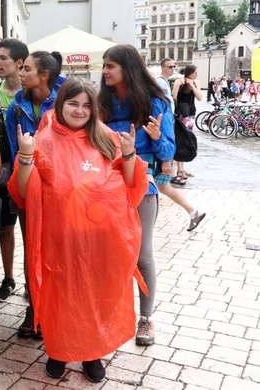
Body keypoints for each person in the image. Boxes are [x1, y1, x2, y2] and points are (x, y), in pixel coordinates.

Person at [8, 77, 148, 382]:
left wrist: (128, 154)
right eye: (73, 103)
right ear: (61, 104)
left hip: (99, 240)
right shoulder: (42, 141)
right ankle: (58, 350)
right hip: (59, 239)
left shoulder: (105, 137)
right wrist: (26, 155)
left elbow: (128, 187)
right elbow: (23, 193)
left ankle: (91, 353)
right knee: (61, 297)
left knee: (93, 296)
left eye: (86, 105)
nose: (80, 110)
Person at [99, 44, 176, 346]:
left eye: (110, 66)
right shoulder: (102, 102)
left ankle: (146, 318)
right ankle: (111, 313)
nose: (104, 71)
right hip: (107, 186)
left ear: (127, 69)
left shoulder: (155, 103)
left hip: (143, 185)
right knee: (110, 254)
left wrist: (157, 138)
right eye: (104, 65)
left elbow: (169, 150)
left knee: (142, 255)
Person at [5, 50, 65, 338]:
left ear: (44, 76)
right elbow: (15, 154)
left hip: (63, 193)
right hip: (29, 189)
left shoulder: (69, 99)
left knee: (60, 254)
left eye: (26, 68)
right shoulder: (16, 107)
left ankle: (57, 311)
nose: (21, 72)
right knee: (32, 251)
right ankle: (34, 311)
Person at [0, 38, 29, 305]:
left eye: (3, 58)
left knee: (30, 232)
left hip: (26, 172)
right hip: (0, 174)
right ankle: (8, 278)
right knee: (6, 227)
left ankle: (31, 281)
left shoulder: (27, 97)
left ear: (19, 63)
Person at [155, 60, 206, 230]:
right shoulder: (163, 83)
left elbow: (165, 118)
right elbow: (172, 102)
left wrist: (165, 159)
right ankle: (193, 212)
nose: (172, 69)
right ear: (163, 67)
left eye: (173, 66)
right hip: (163, 147)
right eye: (170, 66)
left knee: (159, 186)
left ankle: (192, 212)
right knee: (163, 186)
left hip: (161, 149)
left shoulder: (162, 86)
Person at [171, 64, 202, 182]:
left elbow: (199, 97)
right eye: (195, 73)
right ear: (189, 72)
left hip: (190, 115)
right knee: (180, 140)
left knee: (187, 140)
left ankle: (182, 168)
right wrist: (178, 85)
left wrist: (192, 86)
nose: (196, 75)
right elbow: (173, 96)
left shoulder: (196, 82)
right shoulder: (179, 81)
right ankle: (179, 169)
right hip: (180, 114)